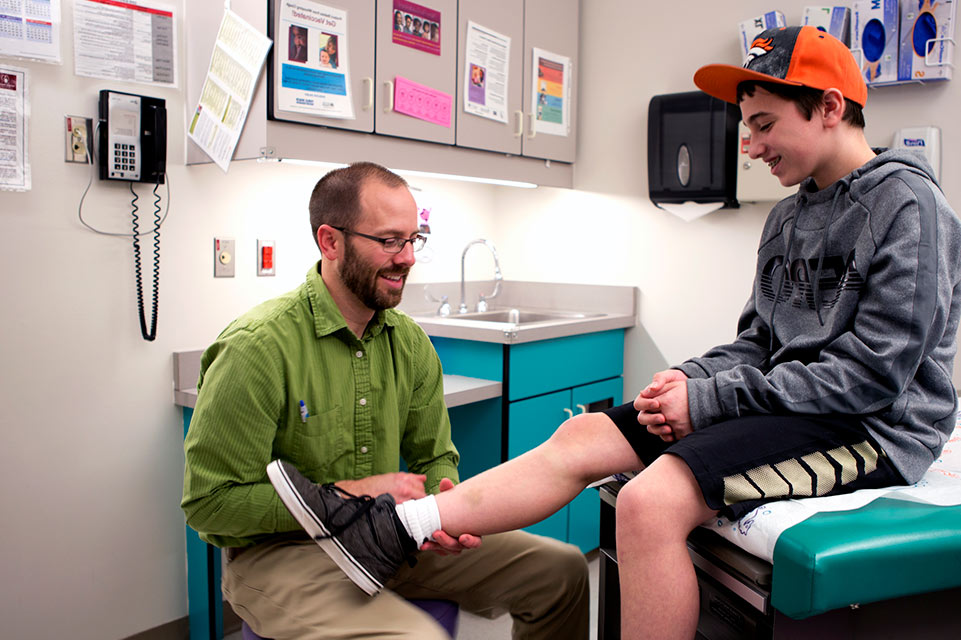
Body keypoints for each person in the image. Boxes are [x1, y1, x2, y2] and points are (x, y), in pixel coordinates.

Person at [266, 27, 961, 640]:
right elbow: (756, 342)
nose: (748, 145)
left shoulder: (908, 206)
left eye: (763, 124)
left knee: (648, 502)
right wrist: (692, 379)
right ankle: (393, 530)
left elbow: (875, 376)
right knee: (580, 439)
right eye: (746, 126)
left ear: (830, 107)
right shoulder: (788, 219)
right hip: (790, 408)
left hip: (870, 426)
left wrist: (714, 402)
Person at [181, 162, 590, 639]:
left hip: (393, 532)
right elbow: (209, 505)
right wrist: (352, 495)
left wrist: (444, 507)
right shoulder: (257, 348)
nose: (408, 258)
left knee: (560, 570)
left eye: (413, 240)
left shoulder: (410, 343)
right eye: (390, 241)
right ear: (330, 242)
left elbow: (435, 454)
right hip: (284, 553)